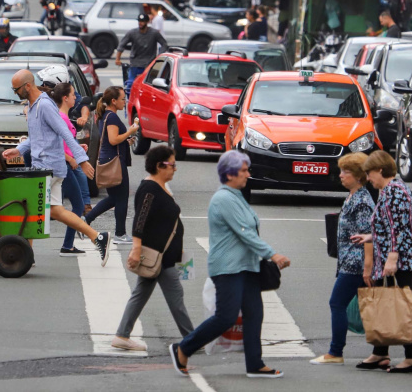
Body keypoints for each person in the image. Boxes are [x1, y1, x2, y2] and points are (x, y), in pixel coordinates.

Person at [169, 150, 290, 378]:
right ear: (230, 174)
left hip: (248, 267)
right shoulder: (223, 199)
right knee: (225, 317)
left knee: (255, 314)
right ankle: (184, 348)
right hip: (228, 268)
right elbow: (245, 232)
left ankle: (255, 363)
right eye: (243, 170)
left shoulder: (237, 195)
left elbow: (249, 230)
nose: (247, 174)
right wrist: (272, 255)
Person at [2, 69, 113, 264]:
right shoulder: (33, 104)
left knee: (29, 206)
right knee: (53, 210)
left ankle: (24, 254)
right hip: (47, 167)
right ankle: (97, 237)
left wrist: (81, 159)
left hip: (47, 167)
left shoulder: (44, 105)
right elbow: (36, 138)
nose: (15, 93)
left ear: (28, 86)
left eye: (16, 89)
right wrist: (18, 150)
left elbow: (64, 132)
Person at [113, 145, 193, 351]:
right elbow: (140, 221)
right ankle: (194, 339)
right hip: (159, 257)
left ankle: (122, 335)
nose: (175, 169)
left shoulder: (160, 187)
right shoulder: (149, 189)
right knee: (176, 299)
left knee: (141, 294)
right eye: (171, 165)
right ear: (159, 166)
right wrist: (136, 248)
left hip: (163, 255)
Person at [351, 150, 412, 373]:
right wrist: (370, 237)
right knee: (385, 302)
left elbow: (399, 229)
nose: (368, 178)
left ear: (380, 170)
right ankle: (380, 352)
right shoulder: (387, 190)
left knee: (401, 305)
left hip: (399, 259)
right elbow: (387, 225)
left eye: (370, 173)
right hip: (391, 256)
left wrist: (392, 258)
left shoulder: (395, 191)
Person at [310, 153, 373, 365]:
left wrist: (367, 268)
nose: (341, 175)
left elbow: (369, 237)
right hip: (349, 260)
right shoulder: (352, 197)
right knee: (369, 307)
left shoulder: (362, 201)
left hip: (355, 263)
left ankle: (335, 352)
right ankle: (397, 343)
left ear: (358, 176)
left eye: (346, 172)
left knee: (337, 303)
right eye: (341, 171)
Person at [83, 87, 137, 244]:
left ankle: (86, 220)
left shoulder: (106, 115)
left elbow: (110, 140)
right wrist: (130, 131)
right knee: (121, 198)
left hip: (110, 158)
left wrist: (126, 141)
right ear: (113, 101)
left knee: (114, 198)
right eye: (122, 99)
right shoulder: (111, 117)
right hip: (114, 161)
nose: (124, 102)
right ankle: (120, 234)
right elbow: (113, 140)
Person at [49, 82, 92, 256]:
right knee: (75, 205)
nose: (76, 98)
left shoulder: (63, 116)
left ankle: (68, 245)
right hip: (64, 165)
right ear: (65, 98)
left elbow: (66, 142)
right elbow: (55, 145)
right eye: (73, 95)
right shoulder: (60, 117)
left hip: (68, 163)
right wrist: (71, 158)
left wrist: (78, 147)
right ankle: (67, 245)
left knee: (75, 204)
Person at [115, 13, 168, 99]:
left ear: (147, 22)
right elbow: (122, 45)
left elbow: (164, 44)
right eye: (139, 21)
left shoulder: (154, 33)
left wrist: (159, 57)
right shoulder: (132, 33)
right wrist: (118, 59)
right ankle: (130, 100)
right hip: (135, 63)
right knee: (130, 84)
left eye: (143, 22)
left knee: (151, 85)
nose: (141, 23)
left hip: (149, 64)